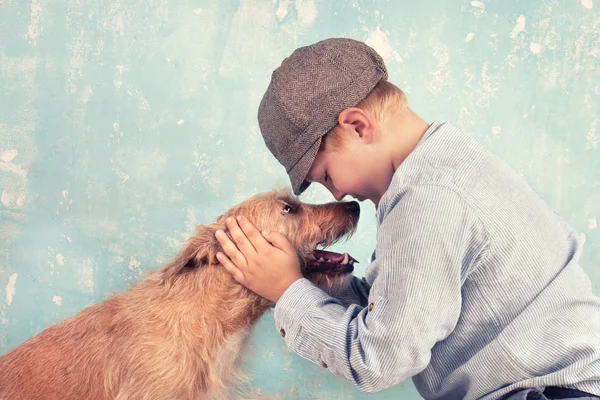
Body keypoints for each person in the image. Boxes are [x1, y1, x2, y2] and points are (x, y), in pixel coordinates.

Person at [213, 38, 600, 400]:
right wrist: (304, 274)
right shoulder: (443, 167)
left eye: (327, 176)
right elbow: (396, 312)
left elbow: (379, 359)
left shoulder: (428, 201)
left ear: (358, 127)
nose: (336, 195)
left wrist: (287, 290)